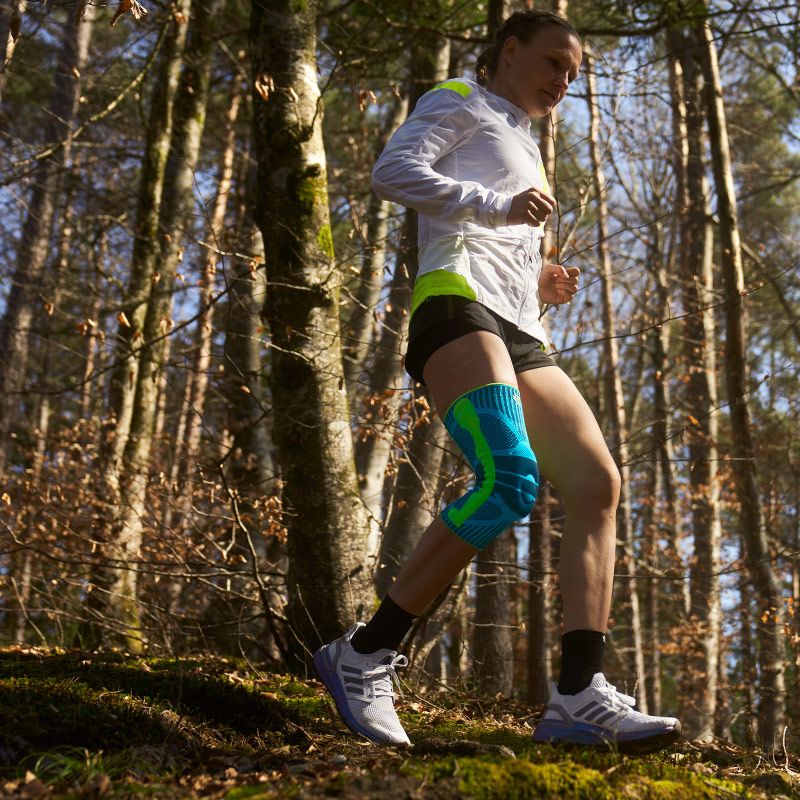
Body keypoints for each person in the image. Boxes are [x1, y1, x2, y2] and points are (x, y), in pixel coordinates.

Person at [314, 10, 681, 750]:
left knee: (597, 485)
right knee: (509, 479)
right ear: (508, 52)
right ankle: (365, 654)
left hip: (520, 326)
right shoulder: (460, 99)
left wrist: (538, 271)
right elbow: (393, 173)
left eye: (573, 75)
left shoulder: (525, 141)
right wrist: (497, 207)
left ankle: (578, 693)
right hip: (454, 304)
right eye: (552, 63)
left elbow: (496, 229)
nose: (562, 81)